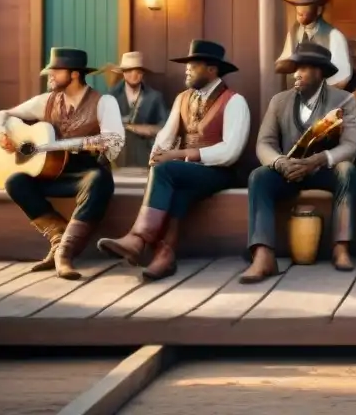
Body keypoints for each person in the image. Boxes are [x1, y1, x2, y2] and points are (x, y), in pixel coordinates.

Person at [97, 40, 250, 281]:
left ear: (212, 70)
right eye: (187, 65)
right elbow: (165, 135)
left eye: (194, 65)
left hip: (219, 171)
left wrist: (177, 156)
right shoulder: (182, 98)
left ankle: (138, 239)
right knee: (174, 186)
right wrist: (156, 155)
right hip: (185, 171)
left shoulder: (234, 101)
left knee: (167, 171)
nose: (186, 70)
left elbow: (231, 151)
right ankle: (164, 255)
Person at [0, 47, 125, 279]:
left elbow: (114, 140)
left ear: (75, 74)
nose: (49, 75)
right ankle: (57, 237)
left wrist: (74, 144)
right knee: (16, 181)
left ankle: (65, 253)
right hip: (54, 173)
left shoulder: (104, 102)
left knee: (100, 180)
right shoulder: (46, 101)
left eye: (55, 71)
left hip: (87, 171)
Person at [239, 42, 356, 283]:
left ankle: (341, 247)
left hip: (325, 170)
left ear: (320, 73)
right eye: (295, 67)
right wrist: (279, 163)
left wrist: (318, 160)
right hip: (289, 171)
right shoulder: (279, 101)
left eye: (304, 68)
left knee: (348, 170)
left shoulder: (345, 100)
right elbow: (263, 143)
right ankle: (263, 254)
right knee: (258, 176)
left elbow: (350, 146)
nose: (296, 73)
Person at [279, 0, 353, 89]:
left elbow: (342, 77)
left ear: (318, 11)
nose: (300, 17)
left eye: (304, 13)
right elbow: (285, 60)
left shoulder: (334, 37)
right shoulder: (293, 33)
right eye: (298, 13)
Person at [105, 52, 169, 168]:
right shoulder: (111, 96)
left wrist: (146, 130)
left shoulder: (155, 97)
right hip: (118, 155)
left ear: (143, 73)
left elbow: (165, 127)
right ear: (123, 73)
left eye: (138, 71)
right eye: (129, 71)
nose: (133, 75)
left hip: (145, 153)